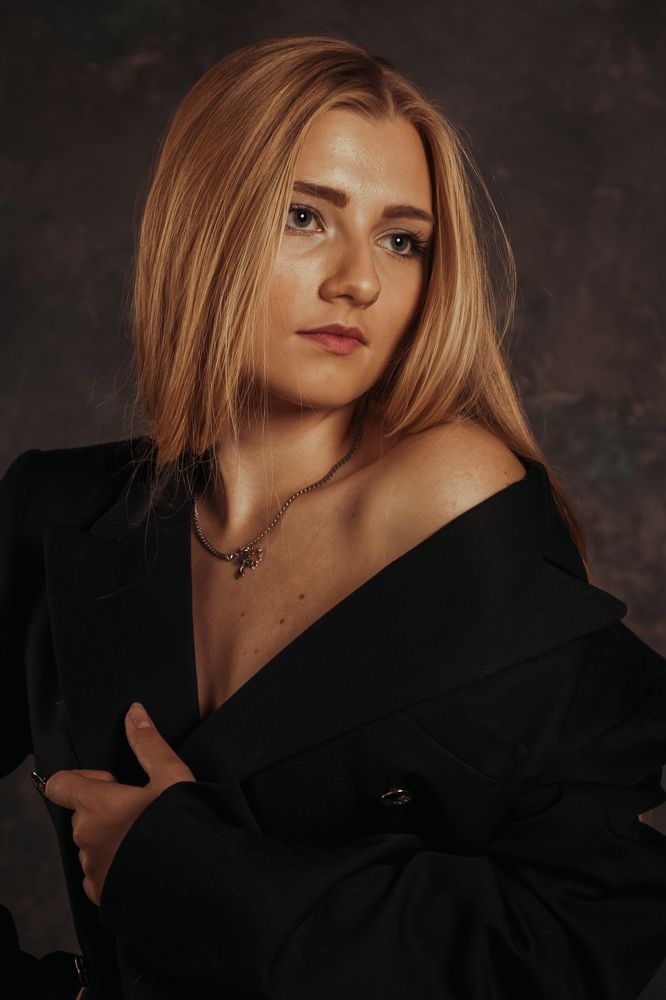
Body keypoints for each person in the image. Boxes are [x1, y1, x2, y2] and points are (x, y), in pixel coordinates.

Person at [1, 32, 665, 1000]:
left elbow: (579, 929)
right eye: (306, 216)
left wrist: (195, 877)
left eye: (402, 239)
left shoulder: (455, 503)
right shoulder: (60, 511)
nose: (360, 279)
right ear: (203, 226)